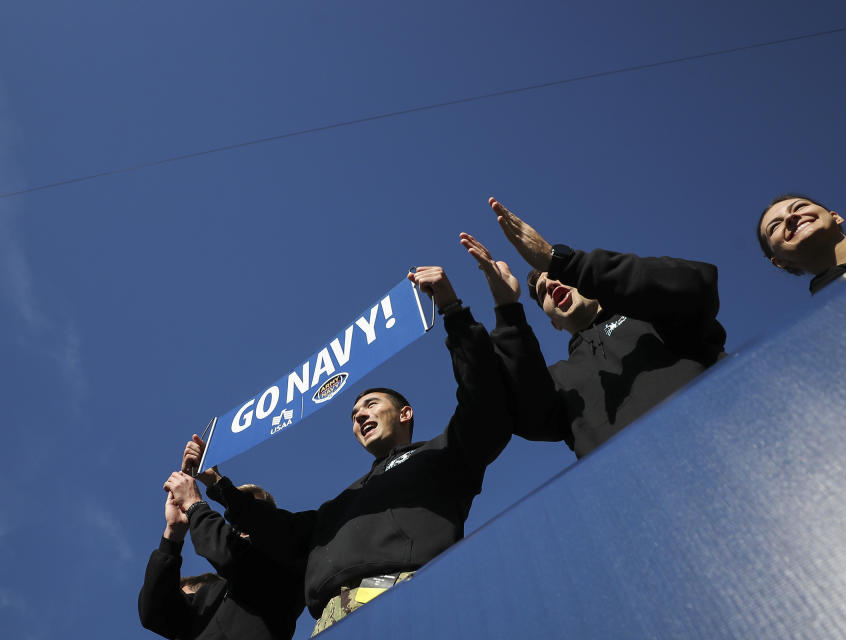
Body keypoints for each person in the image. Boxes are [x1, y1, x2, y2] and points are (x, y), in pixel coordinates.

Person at [171, 266, 514, 636]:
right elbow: (282, 531)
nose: (360, 415)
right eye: (353, 414)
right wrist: (218, 485)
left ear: (405, 413)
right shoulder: (336, 508)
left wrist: (453, 311)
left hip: (409, 604)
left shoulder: (444, 454)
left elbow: (484, 403)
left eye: (370, 403)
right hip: (330, 623)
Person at [461, 197, 726, 459]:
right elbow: (521, 412)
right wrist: (507, 307)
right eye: (543, 292)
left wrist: (561, 263)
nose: (552, 285)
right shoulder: (560, 382)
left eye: (555, 278)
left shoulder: (653, 316)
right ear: (553, 322)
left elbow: (695, 283)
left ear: (589, 285)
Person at [138, 478, 303, 640]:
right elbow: (155, 613)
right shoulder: (210, 594)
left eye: (250, 510)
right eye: (237, 518)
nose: (240, 523)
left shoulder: (284, 561)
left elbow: (230, 556)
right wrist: (173, 534)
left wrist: (195, 506)